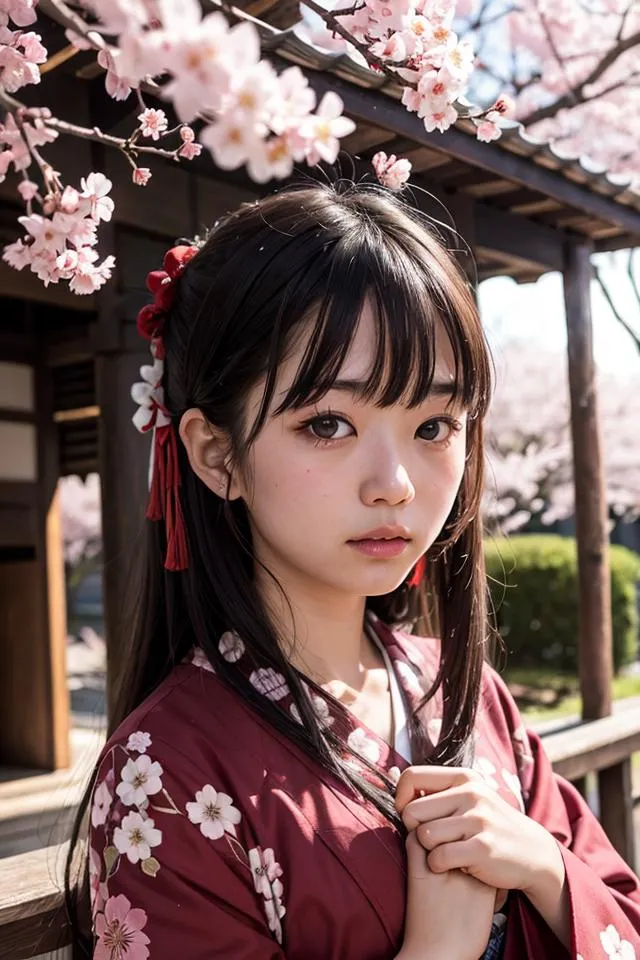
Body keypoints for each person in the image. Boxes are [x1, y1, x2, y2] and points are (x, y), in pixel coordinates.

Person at [66, 182, 640, 960]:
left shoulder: (465, 694)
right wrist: (437, 947)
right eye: (328, 423)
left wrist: (540, 864)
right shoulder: (162, 775)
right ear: (215, 453)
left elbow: (620, 915)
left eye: (434, 425)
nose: (395, 483)